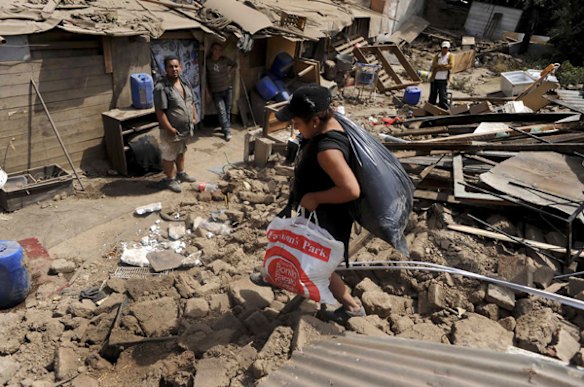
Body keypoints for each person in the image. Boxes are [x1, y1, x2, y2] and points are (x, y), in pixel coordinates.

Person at [253, 85, 366, 323]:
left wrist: (315, 198)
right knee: (298, 242)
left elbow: (351, 189)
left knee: (321, 263)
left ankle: (353, 307)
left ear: (315, 121)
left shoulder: (327, 150)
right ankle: (273, 273)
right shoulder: (330, 123)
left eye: (297, 122)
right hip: (321, 211)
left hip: (327, 215)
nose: (295, 128)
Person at [154, 55, 197, 193]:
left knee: (181, 151)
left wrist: (194, 116)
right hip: (171, 130)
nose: (174, 69)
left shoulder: (185, 82)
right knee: (169, 155)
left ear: (181, 67)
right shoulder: (161, 87)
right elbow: (160, 111)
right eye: (170, 67)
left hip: (185, 129)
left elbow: (191, 102)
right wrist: (169, 128)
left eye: (176, 66)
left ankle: (181, 173)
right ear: (166, 69)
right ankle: (170, 180)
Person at [206, 43, 236, 141]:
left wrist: (229, 72)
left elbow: (235, 65)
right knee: (222, 111)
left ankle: (224, 128)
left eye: (219, 50)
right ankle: (227, 132)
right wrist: (207, 91)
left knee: (227, 110)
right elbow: (205, 77)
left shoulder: (224, 60)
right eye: (215, 49)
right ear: (211, 50)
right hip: (216, 91)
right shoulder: (208, 62)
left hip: (228, 89)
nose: (217, 52)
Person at [429, 41, 454, 110]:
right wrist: (442, 66)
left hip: (443, 79)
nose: (445, 49)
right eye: (444, 48)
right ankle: (430, 108)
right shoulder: (437, 56)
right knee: (432, 95)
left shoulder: (450, 56)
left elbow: (451, 66)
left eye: (446, 48)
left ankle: (444, 108)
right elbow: (434, 65)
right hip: (435, 78)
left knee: (442, 95)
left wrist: (439, 67)